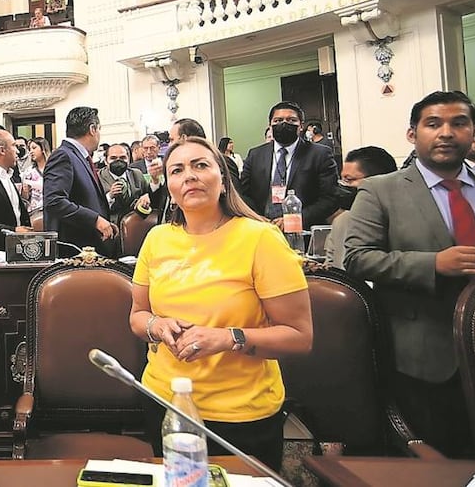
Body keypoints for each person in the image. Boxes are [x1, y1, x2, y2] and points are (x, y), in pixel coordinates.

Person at [343, 91, 475, 458]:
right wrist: (433, 264)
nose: (446, 133)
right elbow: (357, 258)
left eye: (459, 123)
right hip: (429, 356)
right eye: (433, 124)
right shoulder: (382, 190)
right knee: (450, 462)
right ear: (412, 134)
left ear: (474, 132)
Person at [130, 136, 312, 469]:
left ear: (224, 180)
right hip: (165, 403)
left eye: (200, 165)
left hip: (240, 414)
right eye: (177, 170)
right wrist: (157, 326)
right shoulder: (157, 239)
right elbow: (139, 315)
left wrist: (230, 338)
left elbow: (299, 336)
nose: (189, 176)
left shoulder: (260, 238)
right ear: (169, 186)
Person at [239, 101, 339, 229]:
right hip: (262, 228)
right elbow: (243, 194)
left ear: (301, 126)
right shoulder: (255, 155)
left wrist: (294, 219)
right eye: (278, 120)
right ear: (270, 126)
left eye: (291, 120)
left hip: (303, 230)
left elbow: (330, 198)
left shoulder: (320, 154)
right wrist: (257, 217)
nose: (284, 124)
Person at [44, 106, 117, 257]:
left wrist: (104, 222)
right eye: (99, 129)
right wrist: (95, 220)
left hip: (90, 246)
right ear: (92, 129)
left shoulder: (80, 157)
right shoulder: (63, 156)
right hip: (74, 251)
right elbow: (54, 201)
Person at [323, 146, 397, 268]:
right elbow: (330, 267)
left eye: (349, 180)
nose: (343, 186)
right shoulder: (341, 222)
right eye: (342, 180)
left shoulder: (401, 223)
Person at [25, 137, 52, 225]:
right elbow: (26, 197)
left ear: (43, 148)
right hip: (34, 212)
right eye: (29, 149)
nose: (31, 152)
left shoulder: (53, 168)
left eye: (34, 148)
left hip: (50, 209)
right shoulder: (29, 171)